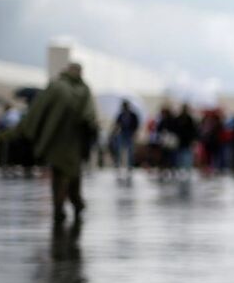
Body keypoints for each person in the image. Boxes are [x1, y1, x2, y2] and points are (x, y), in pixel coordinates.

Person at [11, 63, 98, 223]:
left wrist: (25, 132)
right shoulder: (84, 90)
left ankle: (61, 207)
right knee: (71, 173)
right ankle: (74, 203)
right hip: (74, 142)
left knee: (59, 174)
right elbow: (90, 118)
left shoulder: (56, 87)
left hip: (55, 140)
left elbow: (37, 111)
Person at [114, 100, 140, 175]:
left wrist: (134, 132)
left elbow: (136, 124)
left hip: (130, 133)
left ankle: (129, 166)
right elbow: (117, 123)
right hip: (122, 133)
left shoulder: (133, 115)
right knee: (119, 150)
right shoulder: (121, 115)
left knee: (130, 151)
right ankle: (118, 165)